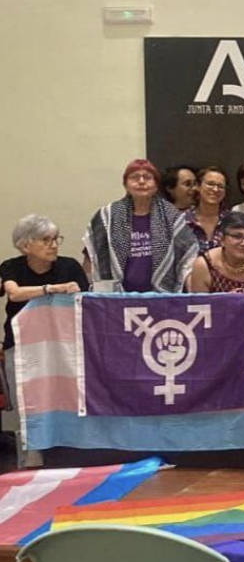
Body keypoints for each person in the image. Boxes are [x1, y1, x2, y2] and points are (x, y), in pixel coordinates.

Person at [2, 215, 90, 399]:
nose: (54, 245)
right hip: (21, 345)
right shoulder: (11, 267)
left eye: (56, 239)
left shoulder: (70, 266)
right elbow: (14, 293)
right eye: (46, 240)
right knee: (25, 402)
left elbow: (86, 303)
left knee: (66, 399)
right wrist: (51, 289)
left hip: (62, 347)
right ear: (26, 246)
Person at [84, 159, 198, 293]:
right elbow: (92, 257)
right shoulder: (107, 216)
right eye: (135, 177)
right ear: (126, 185)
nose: (142, 181)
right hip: (115, 297)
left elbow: (188, 260)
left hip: (161, 297)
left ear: (156, 184)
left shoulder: (172, 216)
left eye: (148, 177)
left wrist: (194, 294)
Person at [185, 166, 229, 254]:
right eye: (210, 184)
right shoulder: (182, 220)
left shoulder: (233, 221)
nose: (215, 189)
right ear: (197, 186)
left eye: (220, 186)